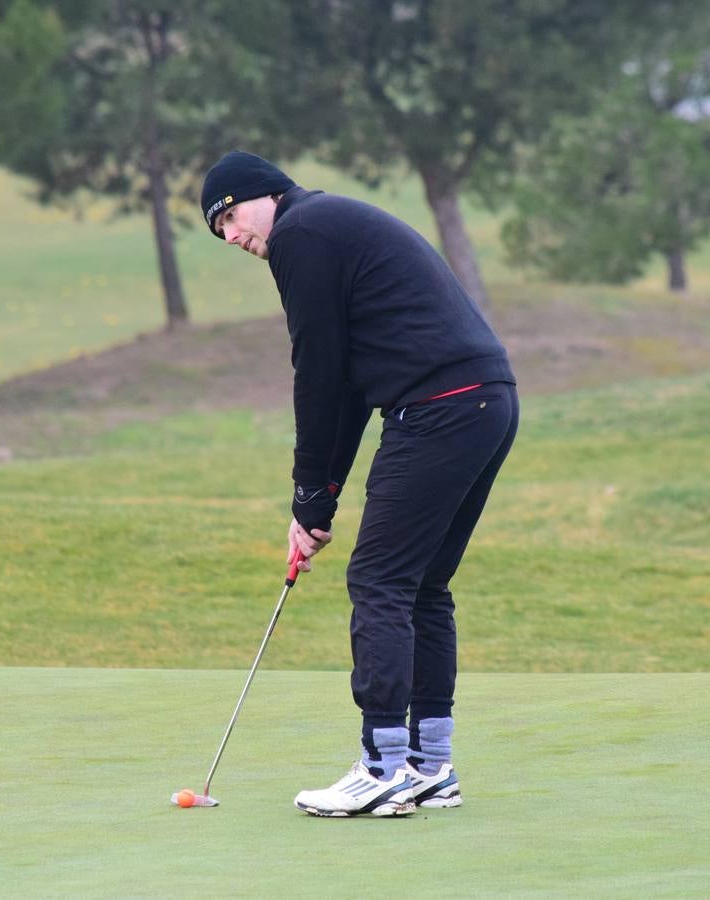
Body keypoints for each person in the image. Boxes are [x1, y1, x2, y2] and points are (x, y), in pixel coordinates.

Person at [200, 150, 518, 817]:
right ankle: (430, 765)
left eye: (228, 216)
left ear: (262, 196)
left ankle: (383, 768)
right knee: (422, 584)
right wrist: (320, 498)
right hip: (483, 399)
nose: (231, 236)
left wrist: (307, 494)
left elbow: (315, 372)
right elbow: (342, 385)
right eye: (218, 230)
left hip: (439, 405)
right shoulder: (326, 226)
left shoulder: (300, 234)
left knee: (378, 580)